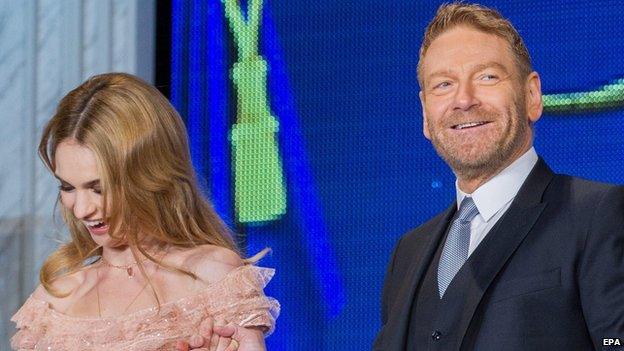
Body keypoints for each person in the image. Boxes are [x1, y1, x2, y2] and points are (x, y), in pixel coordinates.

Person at [374, 3, 624, 350]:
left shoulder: (600, 215)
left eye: (487, 76)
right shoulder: (408, 253)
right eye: (444, 84)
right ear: (425, 116)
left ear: (532, 95)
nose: (463, 99)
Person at [10, 73, 279, 350]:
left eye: (99, 189)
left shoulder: (213, 276)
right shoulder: (54, 303)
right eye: (67, 187)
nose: (81, 209)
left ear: (149, 175)